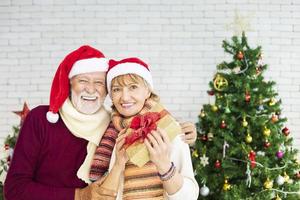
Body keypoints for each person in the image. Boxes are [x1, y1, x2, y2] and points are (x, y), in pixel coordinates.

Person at [4, 46, 197, 200]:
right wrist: (79, 196)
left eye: (98, 83)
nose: (90, 89)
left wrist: (181, 132)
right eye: (83, 80)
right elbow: (14, 189)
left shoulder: (118, 126)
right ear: (69, 83)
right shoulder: (43, 119)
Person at [90, 57, 199, 199]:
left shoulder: (168, 129)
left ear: (148, 91)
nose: (125, 97)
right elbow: (101, 194)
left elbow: (189, 197)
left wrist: (164, 165)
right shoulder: (109, 133)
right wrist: (118, 165)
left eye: (133, 87)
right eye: (117, 89)